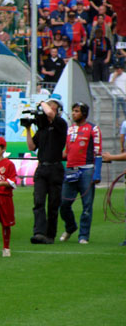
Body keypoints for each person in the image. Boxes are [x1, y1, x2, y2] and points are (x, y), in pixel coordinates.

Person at [26, 95, 68, 244]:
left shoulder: (61, 124)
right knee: (38, 201)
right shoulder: (42, 129)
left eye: (52, 108)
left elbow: (50, 113)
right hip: (42, 167)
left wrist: (43, 102)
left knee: (53, 204)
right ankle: (39, 232)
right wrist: (28, 129)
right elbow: (31, 147)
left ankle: (50, 235)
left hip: (55, 168)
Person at [59, 102, 102, 244]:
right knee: (63, 204)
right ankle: (71, 227)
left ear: (84, 113)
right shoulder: (70, 129)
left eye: (77, 111)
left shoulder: (93, 129)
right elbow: (66, 152)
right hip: (71, 169)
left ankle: (83, 236)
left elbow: (98, 152)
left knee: (87, 205)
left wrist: (97, 173)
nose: (73, 113)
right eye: (73, 111)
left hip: (87, 169)